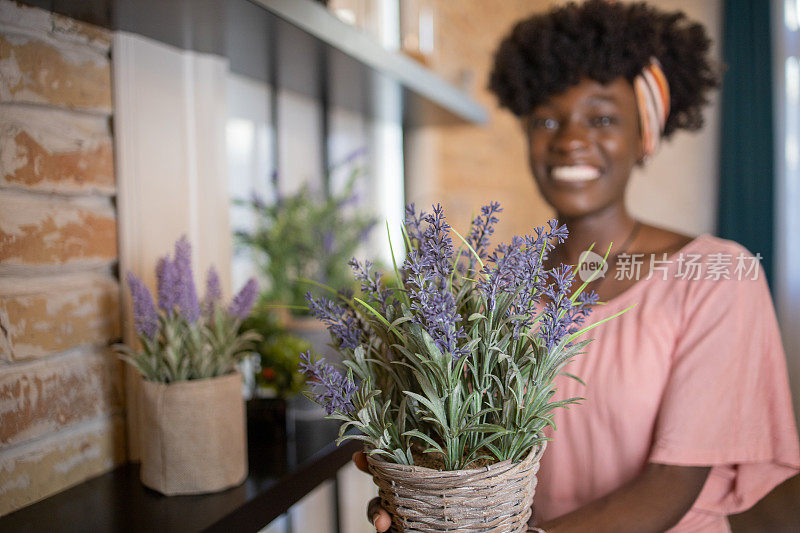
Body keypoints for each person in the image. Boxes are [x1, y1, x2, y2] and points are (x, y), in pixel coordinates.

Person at [354, 1, 800, 531]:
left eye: (603, 117)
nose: (569, 138)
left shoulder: (718, 276)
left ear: (644, 137)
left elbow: (670, 485)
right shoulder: (493, 290)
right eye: (547, 119)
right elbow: (468, 453)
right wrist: (420, 499)